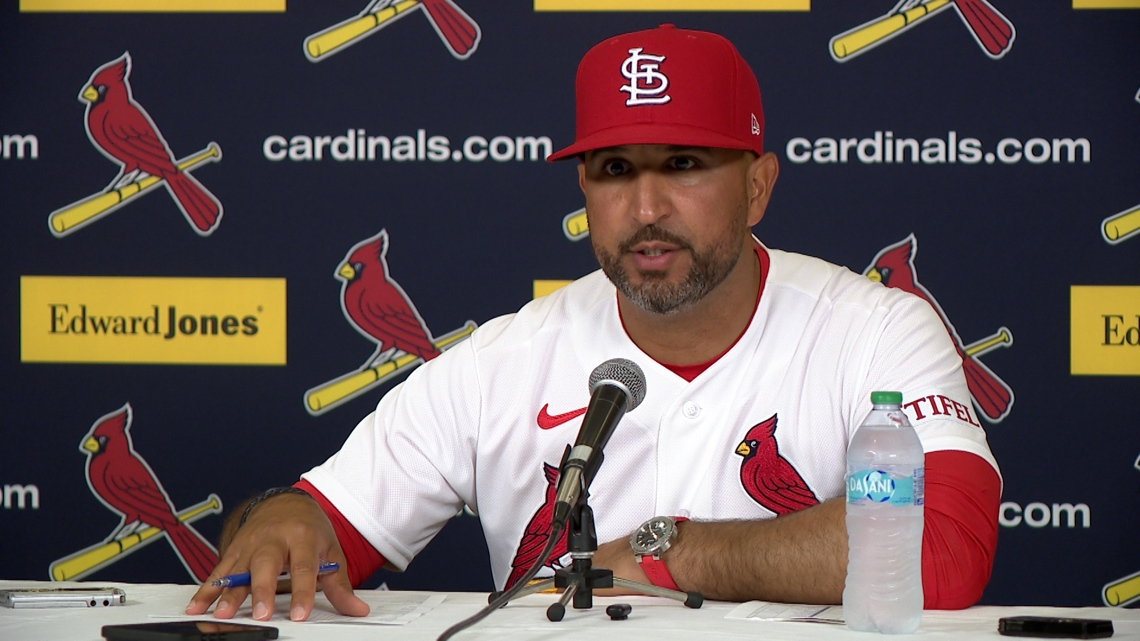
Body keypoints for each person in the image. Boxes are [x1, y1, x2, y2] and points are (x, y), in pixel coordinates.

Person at [187, 24, 1001, 623]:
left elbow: (945, 546)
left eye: (683, 164)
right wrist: (285, 521)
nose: (645, 209)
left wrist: (669, 550)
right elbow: (323, 524)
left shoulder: (876, 331)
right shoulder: (507, 358)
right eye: (615, 171)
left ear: (757, 186)